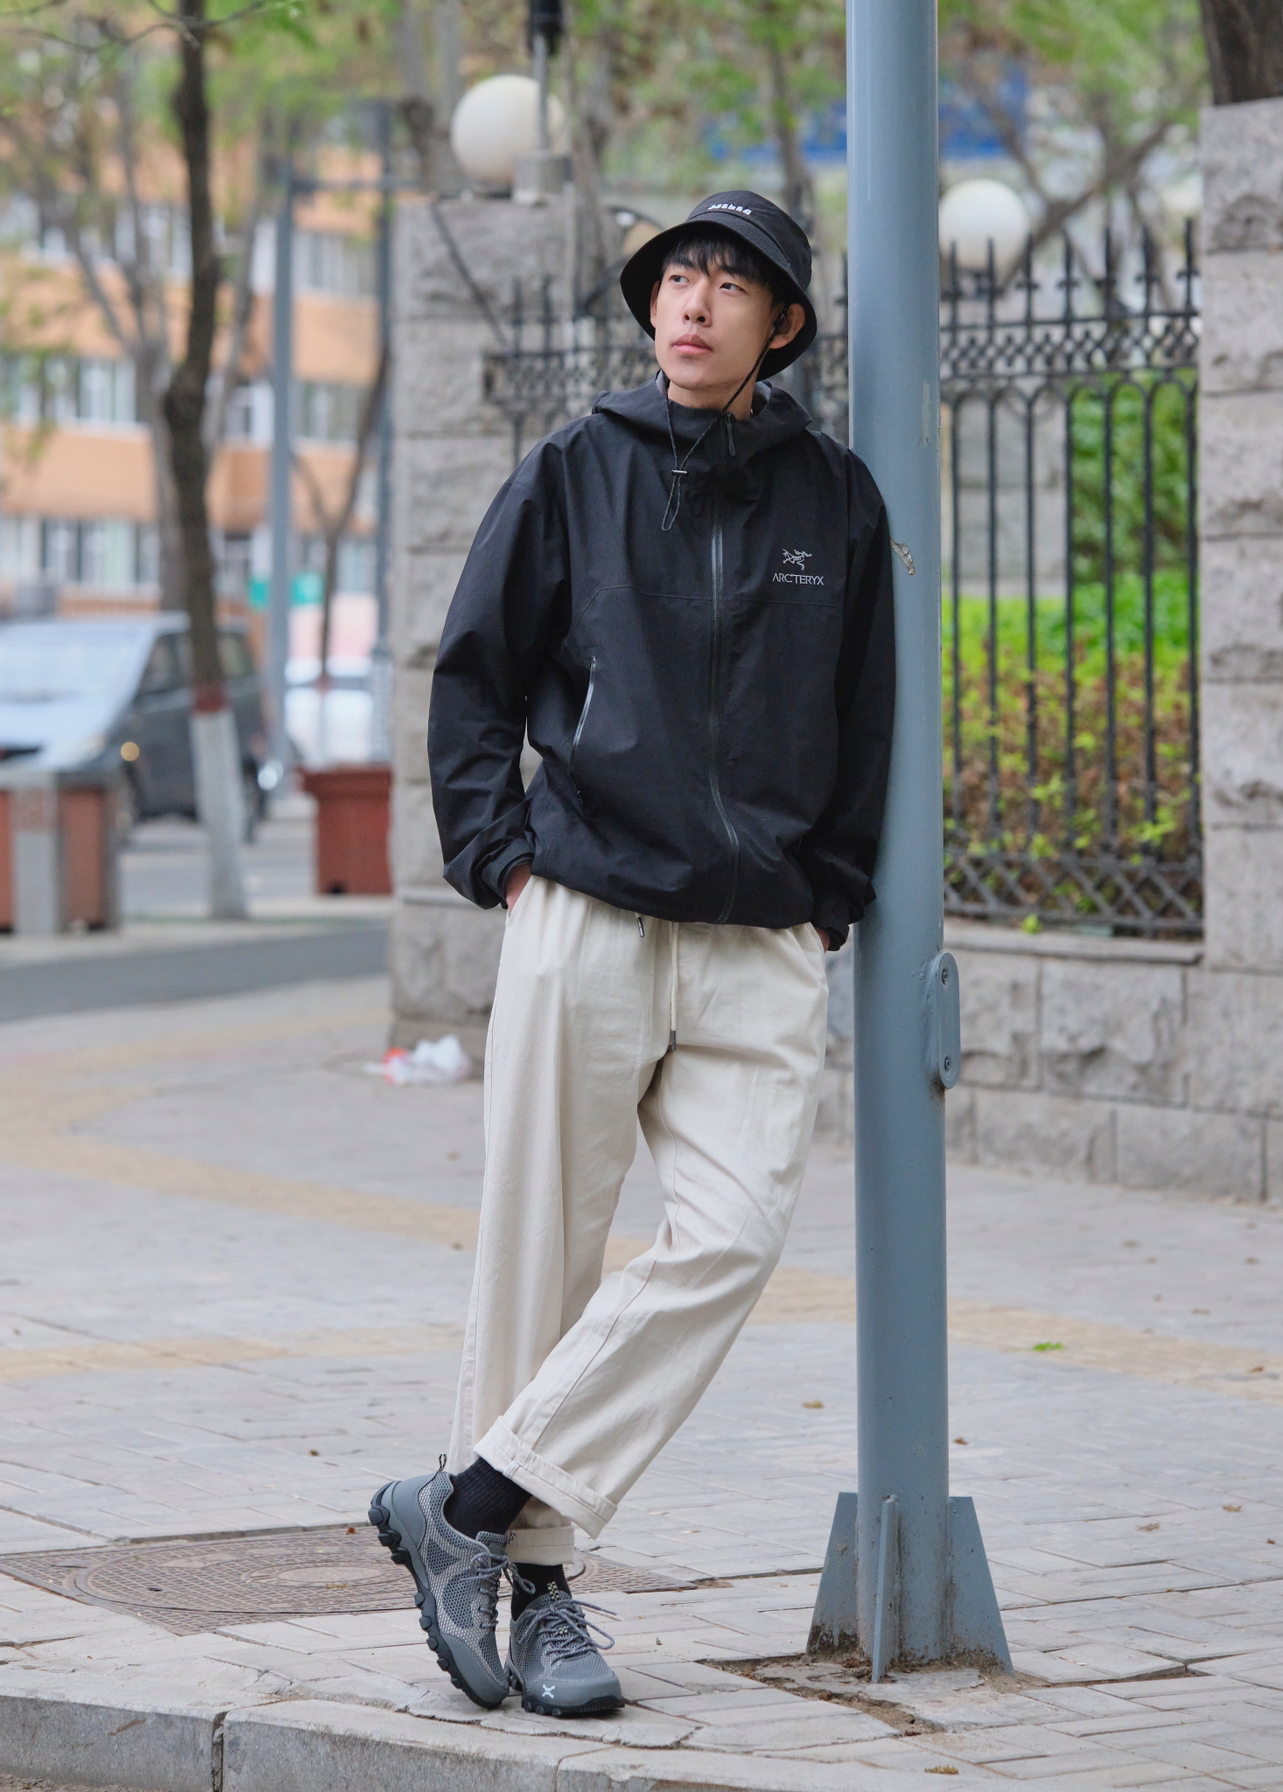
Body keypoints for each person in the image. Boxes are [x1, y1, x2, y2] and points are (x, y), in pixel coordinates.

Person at [370, 189, 895, 1719]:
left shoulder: (835, 498)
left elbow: (866, 713)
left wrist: (829, 892)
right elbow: (475, 675)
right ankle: (534, 1592)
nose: (697, 301)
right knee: (541, 1255)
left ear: (781, 327)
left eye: (732, 283)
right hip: (587, 909)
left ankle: (464, 1507)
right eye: (678, 276)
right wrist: (500, 858)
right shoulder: (575, 468)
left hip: (759, 938)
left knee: (731, 1238)